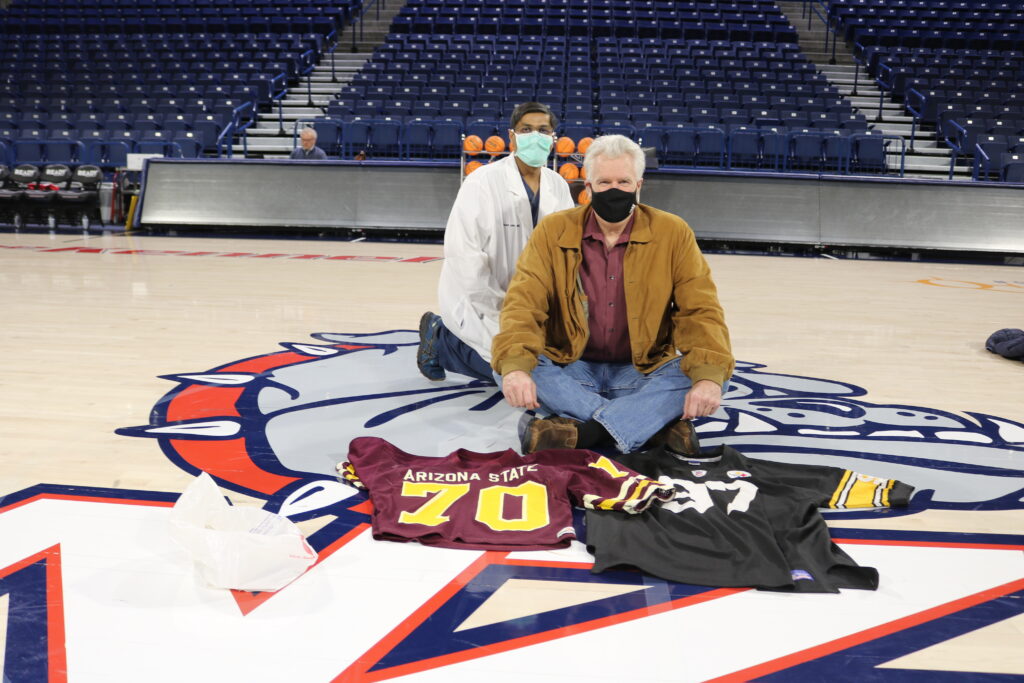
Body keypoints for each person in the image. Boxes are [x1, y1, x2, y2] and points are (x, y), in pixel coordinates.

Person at [491, 134, 734, 455]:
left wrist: (707, 380)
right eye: (604, 182)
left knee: (712, 372)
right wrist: (518, 370)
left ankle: (584, 434)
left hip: (643, 370)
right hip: (570, 367)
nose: (614, 190)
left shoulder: (673, 232)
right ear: (587, 187)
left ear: (639, 185)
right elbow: (523, 306)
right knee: (509, 364)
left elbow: (700, 310)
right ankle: (650, 427)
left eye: (624, 181)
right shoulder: (553, 231)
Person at [417, 102, 575, 382]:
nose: (535, 136)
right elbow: (464, 258)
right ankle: (441, 339)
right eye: (527, 129)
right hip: (483, 300)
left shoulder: (558, 186)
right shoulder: (482, 182)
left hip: (534, 304)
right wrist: (505, 310)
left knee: (562, 362)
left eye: (543, 130)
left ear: (553, 139)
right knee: (517, 371)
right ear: (512, 136)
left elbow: (566, 252)